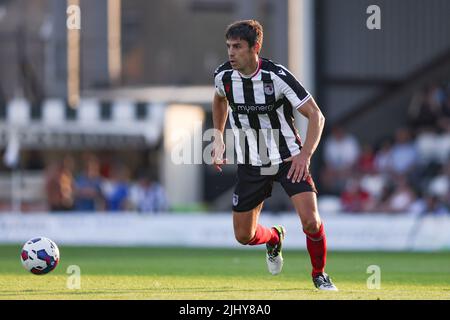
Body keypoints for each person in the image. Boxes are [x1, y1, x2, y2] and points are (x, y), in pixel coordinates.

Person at [211, 20, 337, 291]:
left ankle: (320, 274)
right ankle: (273, 238)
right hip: (252, 161)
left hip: (289, 157)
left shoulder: (276, 76)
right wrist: (218, 135)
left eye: (238, 47)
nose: (231, 53)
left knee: (311, 222)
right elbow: (219, 98)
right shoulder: (223, 76)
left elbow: (316, 115)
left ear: (256, 47)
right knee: (244, 236)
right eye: (228, 47)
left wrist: (305, 154)